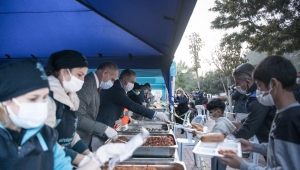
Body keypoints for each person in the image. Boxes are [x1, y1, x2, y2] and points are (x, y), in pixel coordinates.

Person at [0, 60, 127, 170]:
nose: (41, 105)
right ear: (6, 99)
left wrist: (96, 160)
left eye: (44, 98)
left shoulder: (44, 135)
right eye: (33, 99)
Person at [219, 56, 300, 169]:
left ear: (274, 84)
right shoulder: (283, 114)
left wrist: (244, 165)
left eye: (260, 87)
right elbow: (279, 149)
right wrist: (253, 146)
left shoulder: (289, 120)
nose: (259, 93)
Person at [92, 69, 169, 150]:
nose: (133, 84)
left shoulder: (120, 89)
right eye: (132, 82)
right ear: (124, 80)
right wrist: (155, 114)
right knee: (99, 154)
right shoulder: (116, 89)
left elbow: (114, 105)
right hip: (101, 126)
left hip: (107, 124)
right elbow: (132, 105)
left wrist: (121, 115)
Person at [45, 50, 92, 166]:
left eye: (84, 76)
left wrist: (88, 154)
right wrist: (80, 159)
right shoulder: (46, 97)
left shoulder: (72, 97)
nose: (82, 80)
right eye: (79, 75)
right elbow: (46, 142)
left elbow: (70, 134)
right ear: (64, 72)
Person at [76, 62, 119, 147]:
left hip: (84, 138)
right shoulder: (87, 85)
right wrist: (105, 129)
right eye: (113, 80)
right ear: (105, 73)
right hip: (77, 140)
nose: (112, 83)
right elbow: (78, 117)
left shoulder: (95, 86)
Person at [231, 63, 276, 144]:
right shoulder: (255, 94)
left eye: (237, 83)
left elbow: (249, 129)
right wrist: (241, 123)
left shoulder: (259, 97)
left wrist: (228, 138)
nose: (236, 86)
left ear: (248, 82)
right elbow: (258, 114)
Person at [193, 98, 236, 170]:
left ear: (218, 112)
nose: (210, 114)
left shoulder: (220, 125)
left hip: (218, 153)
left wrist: (197, 134)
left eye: (211, 112)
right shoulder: (224, 121)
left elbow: (213, 139)